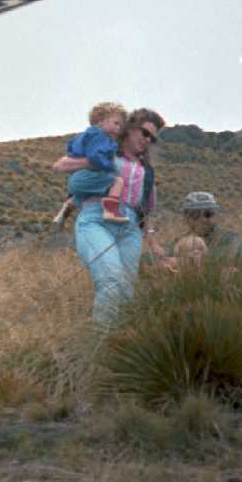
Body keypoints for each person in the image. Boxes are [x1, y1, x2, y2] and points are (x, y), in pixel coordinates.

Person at [52, 107, 171, 325]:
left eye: (152, 139)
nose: (147, 140)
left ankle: (118, 341)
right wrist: (94, 161)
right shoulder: (103, 150)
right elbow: (60, 166)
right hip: (96, 219)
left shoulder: (146, 170)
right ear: (130, 128)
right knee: (110, 278)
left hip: (130, 229)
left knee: (125, 291)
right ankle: (100, 339)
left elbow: (145, 211)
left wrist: (153, 243)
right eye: (145, 133)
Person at [51, 102, 130, 226]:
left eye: (121, 126)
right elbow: (95, 157)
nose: (118, 128)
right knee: (117, 181)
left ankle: (66, 209)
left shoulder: (86, 135)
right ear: (100, 121)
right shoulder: (100, 136)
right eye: (116, 123)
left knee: (85, 194)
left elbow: (71, 147)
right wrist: (110, 165)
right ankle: (111, 211)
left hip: (77, 177)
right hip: (85, 175)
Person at [175, 191, 242, 265]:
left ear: (215, 215)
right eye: (195, 214)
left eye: (208, 214)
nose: (203, 219)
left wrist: (203, 258)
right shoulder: (177, 242)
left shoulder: (230, 237)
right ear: (186, 218)